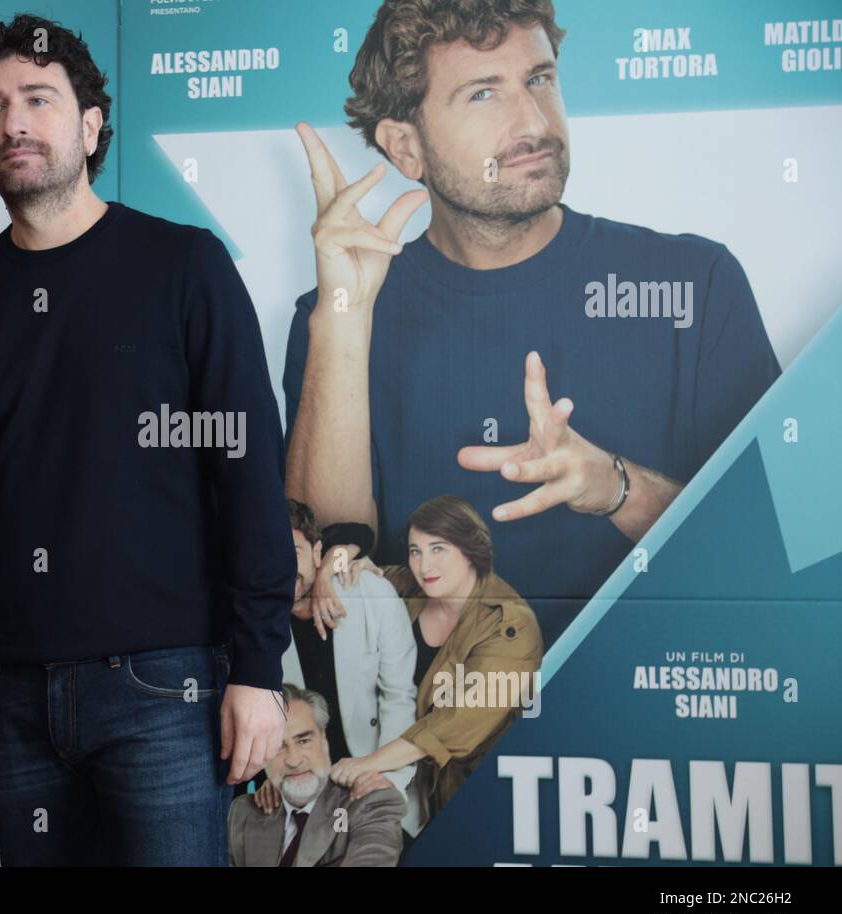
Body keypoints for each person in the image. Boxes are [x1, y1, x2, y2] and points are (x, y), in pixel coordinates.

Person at [0, 14, 294, 867]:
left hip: (169, 689)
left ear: (89, 125)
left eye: (39, 99)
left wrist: (259, 670)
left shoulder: (187, 267)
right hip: (12, 696)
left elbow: (251, 475)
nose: (14, 122)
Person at [283, 0, 781, 653]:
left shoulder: (695, 282)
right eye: (484, 93)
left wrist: (614, 488)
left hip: (653, 733)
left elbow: (769, 551)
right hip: (437, 738)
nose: (533, 121)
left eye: (540, 80)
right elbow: (326, 585)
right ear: (407, 146)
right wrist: (344, 322)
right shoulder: (338, 316)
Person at [328, 496, 541, 838]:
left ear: (471, 548)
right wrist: (355, 566)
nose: (424, 565)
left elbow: (450, 725)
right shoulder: (404, 586)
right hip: (400, 775)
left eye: (438, 549)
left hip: (469, 796)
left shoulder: (511, 625)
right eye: (416, 551)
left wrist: (367, 764)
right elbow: (352, 566)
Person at [250, 499, 417, 834]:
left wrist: (385, 780)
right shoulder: (256, 625)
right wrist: (273, 778)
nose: (281, 567)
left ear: (317, 553)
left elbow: (399, 698)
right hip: (302, 795)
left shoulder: (371, 594)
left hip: (372, 774)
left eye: (292, 552)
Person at [229, 684, 405, 866]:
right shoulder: (243, 813)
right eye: (277, 747)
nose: (294, 760)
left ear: (324, 740)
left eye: (304, 741)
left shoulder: (369, 804)